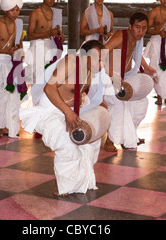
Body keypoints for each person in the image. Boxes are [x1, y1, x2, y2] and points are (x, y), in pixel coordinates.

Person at [20, 40, 109, 196]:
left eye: (102, 60)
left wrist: (93, 102)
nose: (101, 64)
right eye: (98, 59)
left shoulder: (91, 69)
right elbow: (49, 88)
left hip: (71, 110)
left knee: (91, 142)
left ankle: (79, 182)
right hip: (50, 111)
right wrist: (68, 112)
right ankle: (61, 185)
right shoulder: (70, 62)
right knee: (67, 143)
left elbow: (79, 89)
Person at [102, 11, 156, 152]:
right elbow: (101, 53)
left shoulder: (138, 39)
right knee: (119, 103)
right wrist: (112, 74)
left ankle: (128, 136)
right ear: (130, 26)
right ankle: (110, 140)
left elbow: (135, 55)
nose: (141, 31)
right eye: (138, 27)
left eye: (144, 28)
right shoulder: (121, 35)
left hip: (124, 77)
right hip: (108, 77)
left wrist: (146, 66)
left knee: (142, 103)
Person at [0, 0, 25, 138]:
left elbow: (19, 44)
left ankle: (8, 124)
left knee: (10, 94)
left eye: (17, 10)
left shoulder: (19, 24)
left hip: (10, 62)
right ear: (5, 9)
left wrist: (19, 52)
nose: (15, 13)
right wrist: (5, 51)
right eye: (12, 10)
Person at [27, 0, 65, 85]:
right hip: (38, 48)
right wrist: (48, 33)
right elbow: (30, 36)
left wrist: (60, 38)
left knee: (49, 80)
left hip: (51, 48)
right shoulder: (35, 14)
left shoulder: (56, 13)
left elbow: (57, 34)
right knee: (38, 81)